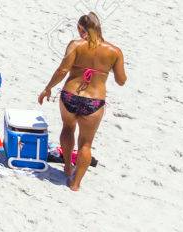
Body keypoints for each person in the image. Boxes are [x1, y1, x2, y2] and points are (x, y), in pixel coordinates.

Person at [38, 12, 127, 191]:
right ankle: (75, 183)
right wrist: (106, 69)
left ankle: (67, 166)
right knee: (86, 143)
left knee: (67, 128)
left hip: (70, 96)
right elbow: (121, 80)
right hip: (94, 102)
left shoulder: (75, 45)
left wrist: (48, 88)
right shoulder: (115, 51)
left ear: (81, 28)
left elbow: (63, 70)